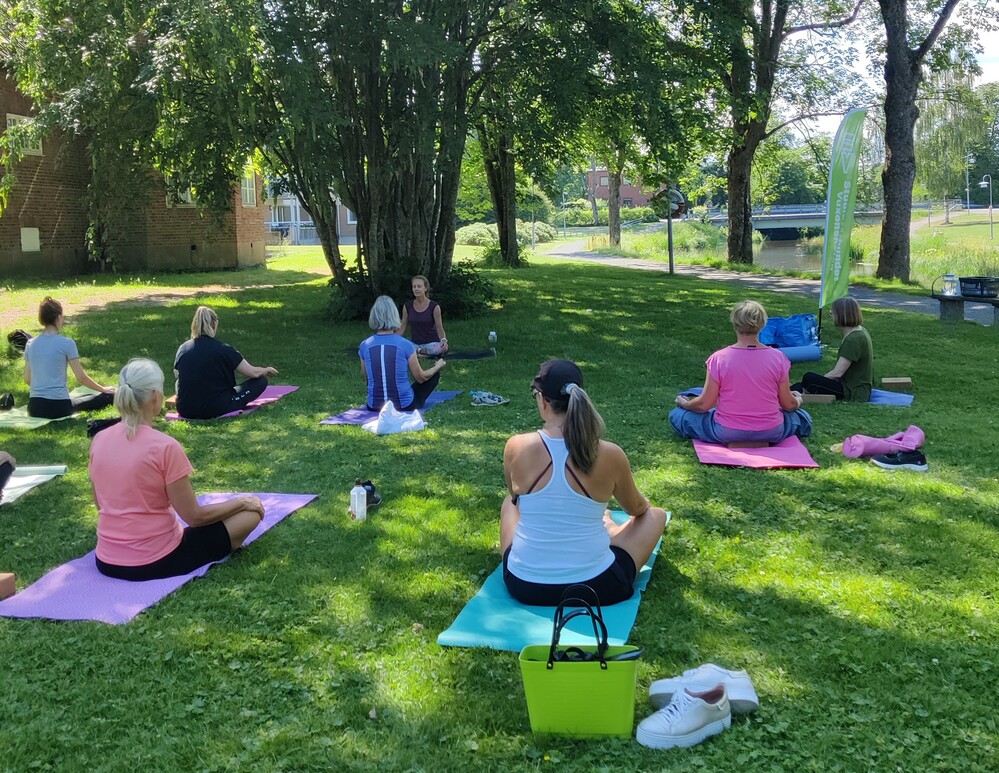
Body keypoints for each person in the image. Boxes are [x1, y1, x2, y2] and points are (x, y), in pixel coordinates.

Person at [500, 360, 667, 606]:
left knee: (509, 503)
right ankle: (609, 529)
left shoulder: (516, 446)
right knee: (657, 515)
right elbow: (638, 509)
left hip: (525, 585)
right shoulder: (609, 453)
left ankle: (606, 529)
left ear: (543, 401)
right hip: (598, 587)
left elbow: (516, 500)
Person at [89, 358, 264, 581]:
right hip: (157, 561)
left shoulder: (99, 439)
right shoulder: (165, 447)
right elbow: (195, 517)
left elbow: (100, 503)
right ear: (155, 396)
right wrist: (242, 502)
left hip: (106, 561)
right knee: (250, 515)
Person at [669, 300, 812, 445]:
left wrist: (685, 404)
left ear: (735, 325)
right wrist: (799, 400)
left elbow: (703, 405)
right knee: (801, 416)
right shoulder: (778, 358)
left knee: (678, 415)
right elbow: (788, 404)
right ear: (762, 324)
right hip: (771, 430)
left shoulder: (719, 358)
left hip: (728, 431)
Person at [173, 306, 278, 419]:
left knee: (179, 382)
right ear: (213, 324)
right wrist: (266, 370)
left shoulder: (183, 349)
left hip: (186, 409)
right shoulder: (224, 349)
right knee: (261, 381)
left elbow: (178, 375)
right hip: (217, 407)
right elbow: (253, 373)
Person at [23, 297, 115, 419]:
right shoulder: (67, 343)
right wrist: (103, 389)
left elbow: (27, 379)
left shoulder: (30, 344)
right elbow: (81, 378)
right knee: (105, 397)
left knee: (80, 398)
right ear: (58, 317)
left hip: (34, 408)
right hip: (59, 407)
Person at [360, 295, 446, 411]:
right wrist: (438, 366)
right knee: (434, 375)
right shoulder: (405, 344)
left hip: (374, 406)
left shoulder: (365, 345)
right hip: (404, 405)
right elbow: (421, 378)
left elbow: (366, 376)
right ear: (395, 316)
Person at [791, 296, 872, 401]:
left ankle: (792, 393)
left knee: (809, 378)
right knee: (801, 384)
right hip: (855, 387)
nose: (831, 315)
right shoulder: (860, 331)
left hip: (852, 391)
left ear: (841, 315)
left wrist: (820, 382)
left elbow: (837, 373)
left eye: (832, 313)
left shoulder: (853, 340)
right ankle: (785, 392)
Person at [397, 275, 448, 356]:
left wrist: (443, 340)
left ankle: (418, 352)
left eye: (419, 286)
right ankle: (420, 351)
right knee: (400, 345)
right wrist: (392, 340)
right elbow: (402, 326)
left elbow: (439, 327)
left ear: (425, 288)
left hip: (431, 344)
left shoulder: (434, 307)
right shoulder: (407, 306)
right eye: (414, 286)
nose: (416, 289)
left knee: (441, 348)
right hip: (414, 344)